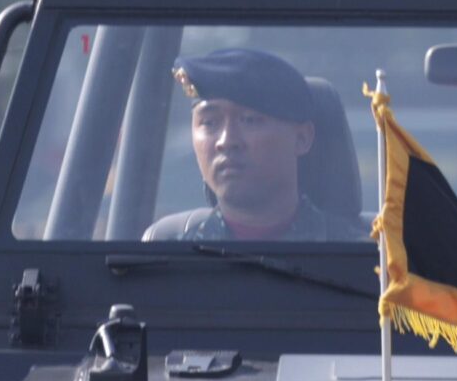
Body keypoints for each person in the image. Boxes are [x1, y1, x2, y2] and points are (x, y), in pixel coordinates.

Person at [143, 49, 367, 243]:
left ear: (302, 138)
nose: (227, 141)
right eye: (210, 123)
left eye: (250, 120)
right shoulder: (170, 253)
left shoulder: (365, 258)